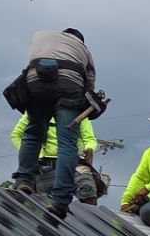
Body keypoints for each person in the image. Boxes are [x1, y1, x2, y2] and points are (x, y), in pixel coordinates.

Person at [13, 27, 96, 217]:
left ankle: (24, 180)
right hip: (69, 84)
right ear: (80, 41)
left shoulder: (42, 35)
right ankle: (59, 201)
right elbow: (90, 86)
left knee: (33, 133)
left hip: (36, 80)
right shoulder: (84, 50)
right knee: (67, 143)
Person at [9, 112, 101, 205]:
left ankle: (91, 215)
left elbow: (89, 139)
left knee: (88, 191)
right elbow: (16, 135)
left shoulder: (79, 113)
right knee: (24, 193)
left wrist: (89, 148)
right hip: (43, 167)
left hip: (72, 166)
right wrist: (35, 154)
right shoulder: (35, 111)